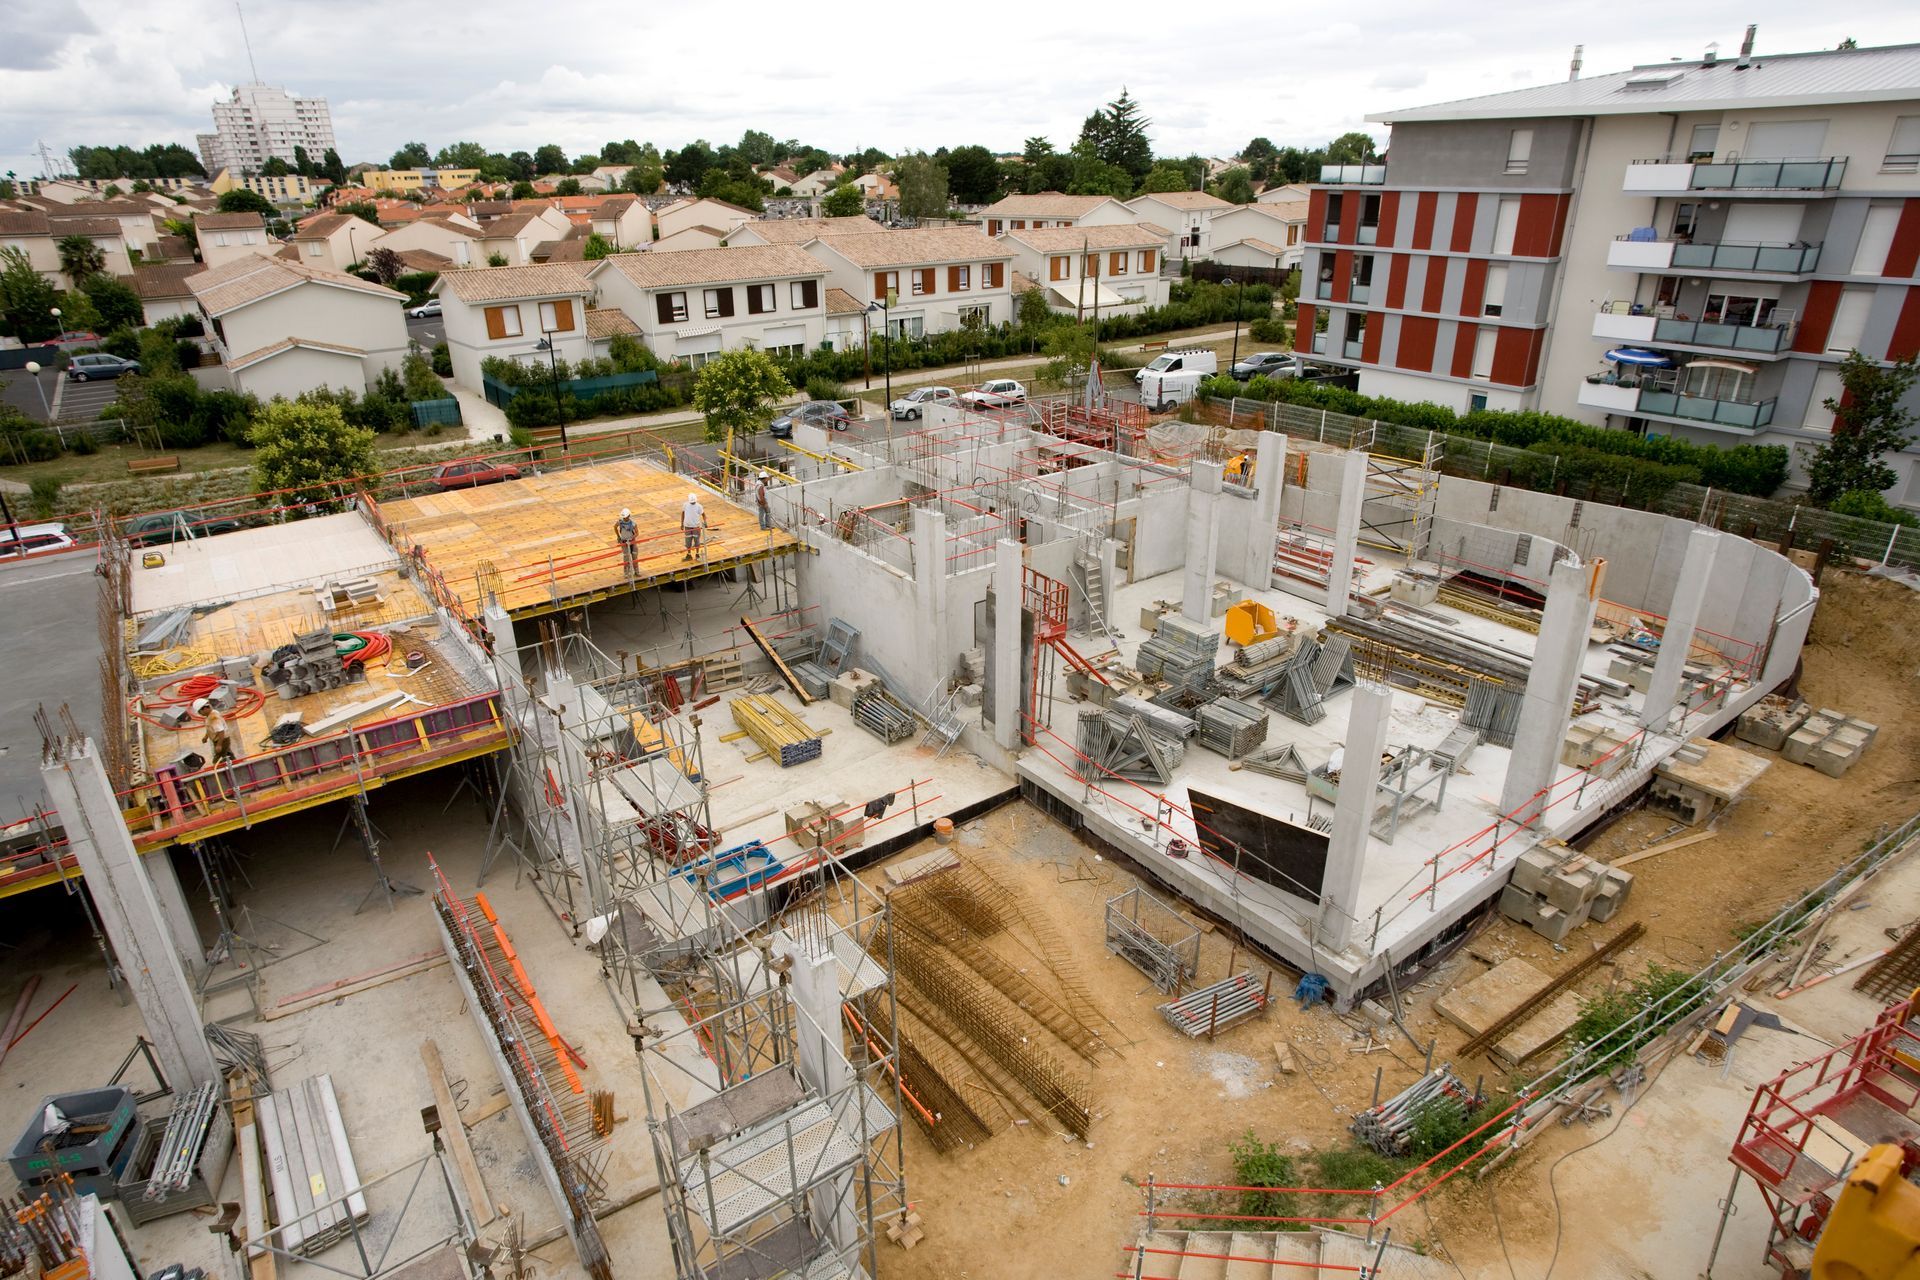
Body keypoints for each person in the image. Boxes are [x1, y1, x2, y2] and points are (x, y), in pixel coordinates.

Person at [195, 698, 235, 766]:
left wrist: (219, 745)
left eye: (200, 712)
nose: (200, 714)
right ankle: (234, 761)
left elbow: (221, 732)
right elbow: (210, 729)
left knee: (218, 757)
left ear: (204, 709)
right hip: (219, 739)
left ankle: (217, 767)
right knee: (227, 751)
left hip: (222, 740)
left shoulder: (214, 719)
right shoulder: (210, 715)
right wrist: (206, 737)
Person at [681, 492, 707, 559]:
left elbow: (703, 515)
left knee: (697, 541)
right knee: (688, 541)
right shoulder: (685, 505)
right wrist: (682, 524)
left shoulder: (699, 506)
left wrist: (705, 522)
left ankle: (697, 554)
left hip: (696, 526)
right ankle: (689, 554)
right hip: (687, 526)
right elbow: (683, 514)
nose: (693, 503)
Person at [615, 507, 639, 578]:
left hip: (632, 542)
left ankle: (637, 572)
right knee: (626, 557)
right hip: (624, 542)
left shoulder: (633, 524)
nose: (624, 518)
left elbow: (637, 533)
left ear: (629, 516)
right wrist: (618, 536)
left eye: (625, 517)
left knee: (635, 557)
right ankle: (626, 573)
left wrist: (632, 538)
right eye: (623, 517)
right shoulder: (620, 522)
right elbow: (615, 527)